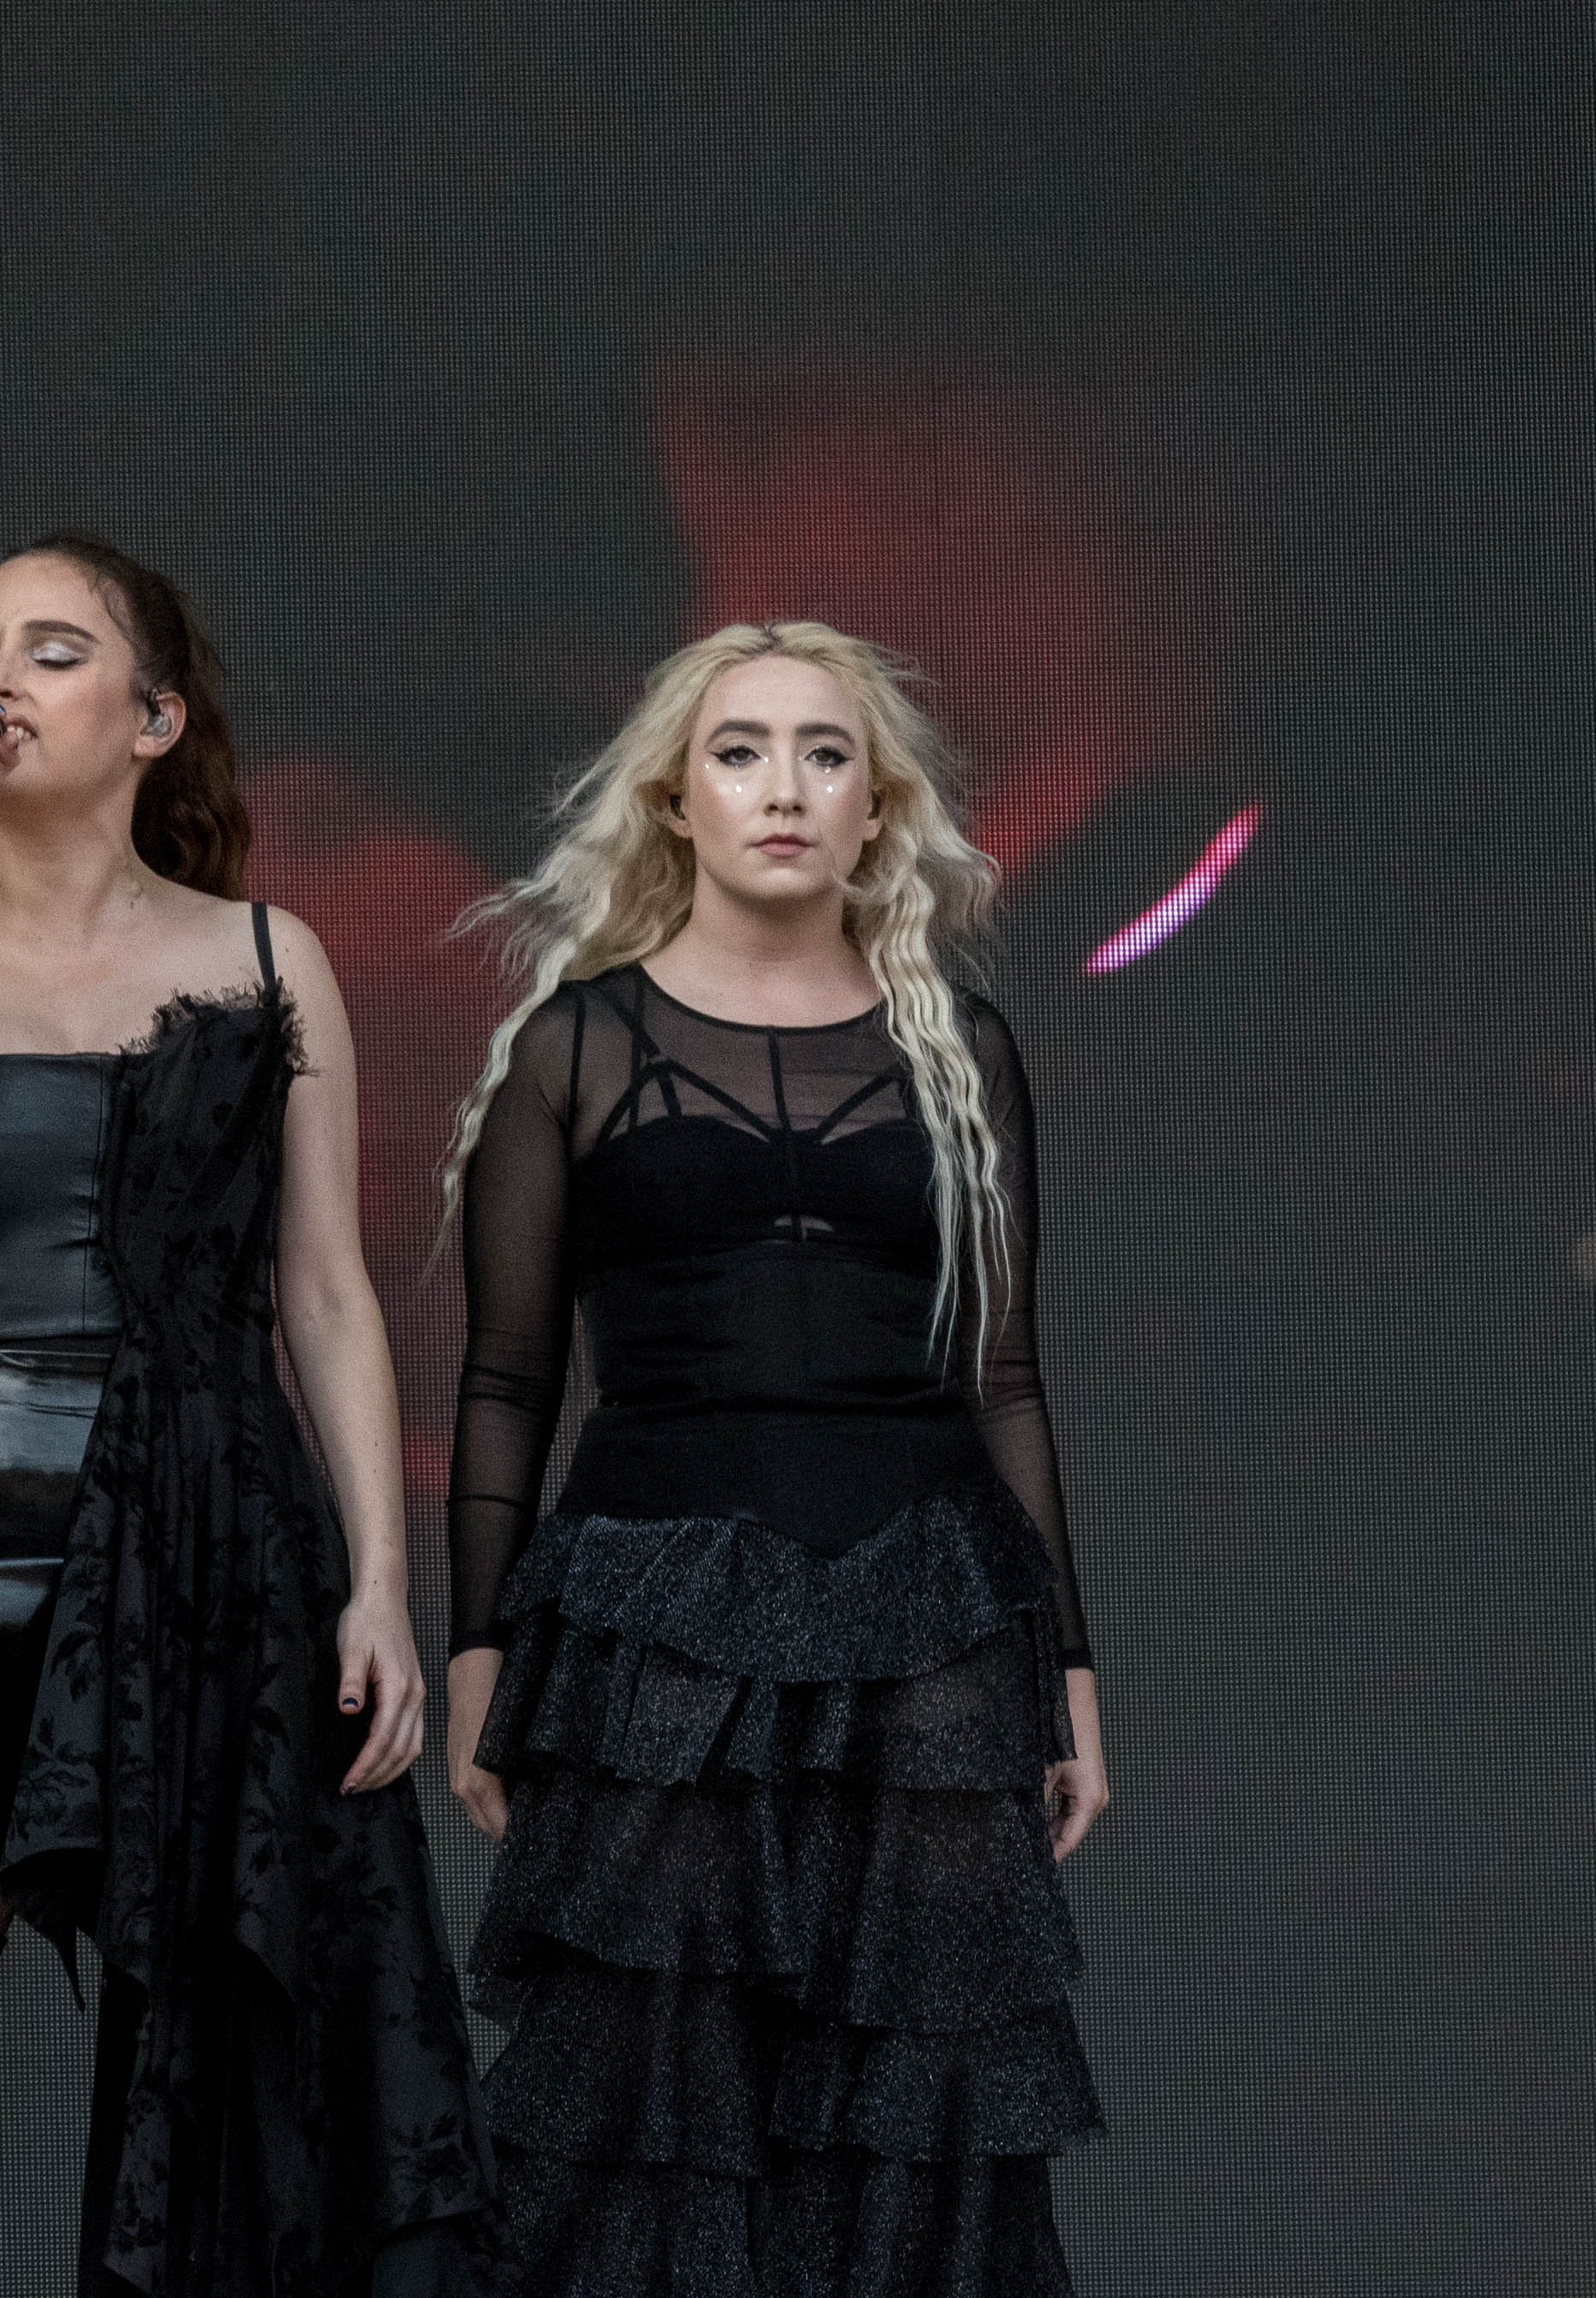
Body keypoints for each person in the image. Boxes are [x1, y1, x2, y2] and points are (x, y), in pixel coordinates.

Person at [0, 534, 488, 2298]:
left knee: (238, 2104)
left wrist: (381, 1584)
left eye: (52, 650)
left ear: (156, 718)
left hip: (212, 1559)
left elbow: (325, 1294)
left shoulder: (271, 956)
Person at [439, 621, 1109, 2292]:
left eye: (827, 753)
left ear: (879, 806)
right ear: (677, 798)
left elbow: (1008, 1378)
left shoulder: (964, 1050)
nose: (785, 788)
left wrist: (1069, 1673)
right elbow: (508, 1379)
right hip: (654, 1632)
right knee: (654, 2114)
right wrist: (478, 1652)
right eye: (739, 751)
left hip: (931, 1627)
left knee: (920, 2115)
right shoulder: (575, 1046)